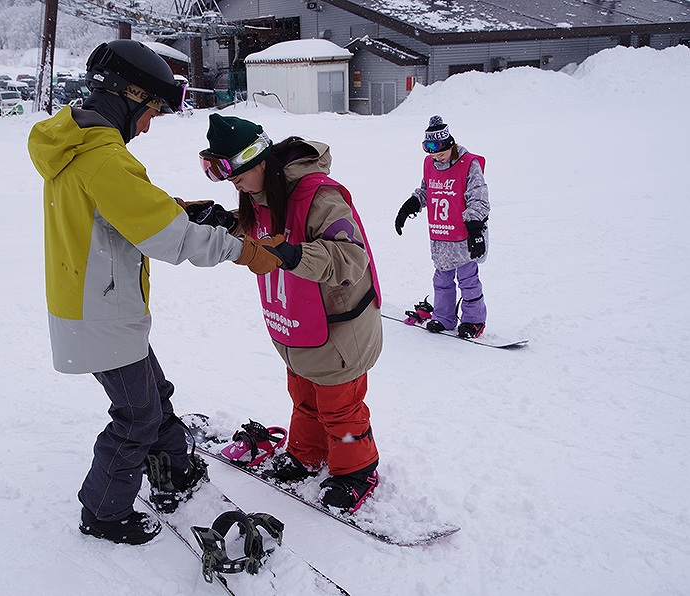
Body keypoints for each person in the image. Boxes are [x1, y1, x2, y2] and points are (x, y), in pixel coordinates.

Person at [26, 40, 282, 546]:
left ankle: (174, 473)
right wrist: (246, 252)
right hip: (100, 310)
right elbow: (170, 238)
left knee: (152, 396)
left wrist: (182, 208)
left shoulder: (78, 148)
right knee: (136, 416)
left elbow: (120, 214)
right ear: (129, 96)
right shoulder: (103, 159)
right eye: (151, 113)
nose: (148, 125)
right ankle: (104, 512)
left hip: (98, 304)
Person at [196, 114, 383, 514]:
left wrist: (291, 254)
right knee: (304, 396)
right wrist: (225, 221)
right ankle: (305, 454)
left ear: (259, 160)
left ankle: (356, 469)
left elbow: (352, 257)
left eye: (237, 175)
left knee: (339, 405)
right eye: (227, 178)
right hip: (296, 323)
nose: (236, 185)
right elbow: (258, 238)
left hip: (338, 327)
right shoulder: (259, 195)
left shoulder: (318, 195)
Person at [395, 115, 490, 338]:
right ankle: (444, 317)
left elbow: (479, 197)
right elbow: (427, 190)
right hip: (440, 234)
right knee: (442, 280)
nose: (437, 158)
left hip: (464, 234)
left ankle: (473, 320)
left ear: (451, 144)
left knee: (468, 280)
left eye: (441, 153)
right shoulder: (430, 163)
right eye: (432, 154)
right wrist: (409, 206)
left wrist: (475, 230)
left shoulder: (469, 164)